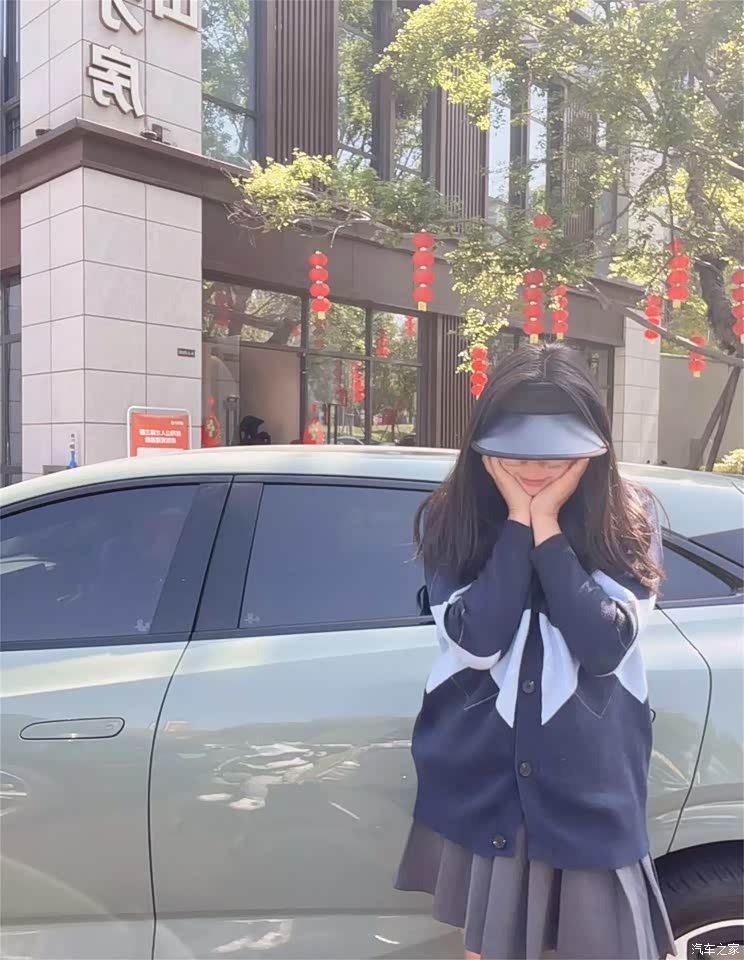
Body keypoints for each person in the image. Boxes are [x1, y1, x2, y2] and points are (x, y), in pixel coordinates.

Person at [396, 343, 675, 960]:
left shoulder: (628, 519)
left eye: (555, 454)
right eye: (518, 451)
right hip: (486, 781)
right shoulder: (454, 517)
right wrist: (517, 525)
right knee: (489, 949)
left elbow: (603, 645)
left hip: (589, 785)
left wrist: (545, 525)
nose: (535, 467)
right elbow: (477, 640)